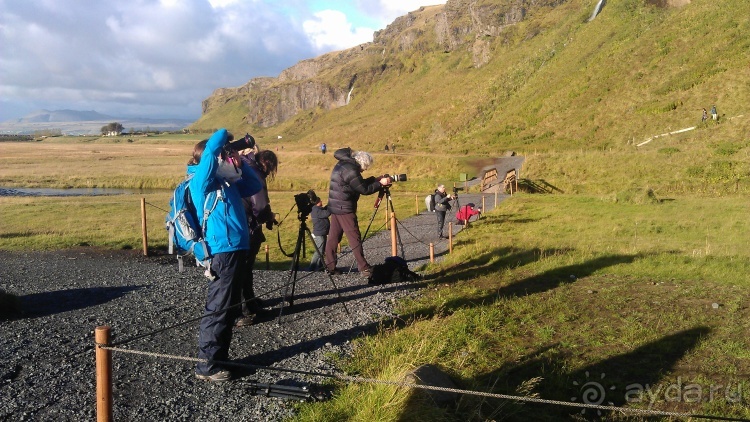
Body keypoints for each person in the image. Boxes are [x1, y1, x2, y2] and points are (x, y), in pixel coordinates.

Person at [189, 129, 262, 382]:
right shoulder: (202, 181)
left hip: (236, 247)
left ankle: (220, 359)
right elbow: (210, 150)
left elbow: (254, 186)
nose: (224, 157)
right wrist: (225, 137)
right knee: (219, 307)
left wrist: (240, 162)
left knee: (229, 308)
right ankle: (207, 367)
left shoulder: (225, 180)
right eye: (222, 156)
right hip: (222, 250)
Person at [324, 148, 390, 276]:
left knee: (333, 237)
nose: (364, 170)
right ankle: (364, 267)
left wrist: (375, 180)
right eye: (365, 167)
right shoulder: (351, 170)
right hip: (344, 207)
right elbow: (364, 190)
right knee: (354, 236)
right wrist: (380, 184)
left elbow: (357, 184)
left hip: (336, 205)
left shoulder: (345, 164)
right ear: (362, 163)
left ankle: (330, 266)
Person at [234, 144, 279, 328]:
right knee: (244, 268)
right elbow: (259, 205)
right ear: (267, 163)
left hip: (241, 223)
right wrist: (267, 217)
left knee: (245, 268)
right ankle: (244, 309)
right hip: (248, 227)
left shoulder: (245, 167)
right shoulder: (256, 174)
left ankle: (250, 302)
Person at [308, 193, 331, 271]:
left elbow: (324, 210)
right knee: (319, 251)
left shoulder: (317, 209)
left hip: (322, 232)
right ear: (318, 202)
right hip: (319, 234)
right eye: (320, 200)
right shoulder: (316, 211)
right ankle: (312, 267)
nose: (322, 201)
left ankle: (320, 266)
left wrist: (329, 204)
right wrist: (331, 207)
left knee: (322, 250)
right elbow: (327, 213)